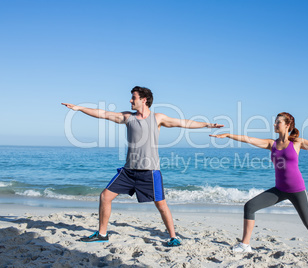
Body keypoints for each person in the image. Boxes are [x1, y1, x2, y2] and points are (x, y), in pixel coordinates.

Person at [62, 86, 223, 246]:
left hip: (150, 172)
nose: (131, 100)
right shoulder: (127, 117)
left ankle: (173, 237)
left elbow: (184, 123)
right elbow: (103, 114)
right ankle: (102, 234)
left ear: (143, 100)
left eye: (134, 97)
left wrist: (207, 125)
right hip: (128, 171)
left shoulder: (157, 118)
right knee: (105, 196)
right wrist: (79, 108)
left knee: (161, 205)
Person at [210, 112, 308, 261]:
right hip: (279, 190)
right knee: (249, 206)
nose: (275, 124)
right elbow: (249, 139)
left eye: (278, 122)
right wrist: (228, 135)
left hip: (297, 190)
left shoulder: (297, 142)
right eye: (275, 122)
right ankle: (245, 244)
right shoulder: (272, 144)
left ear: (287, 125)